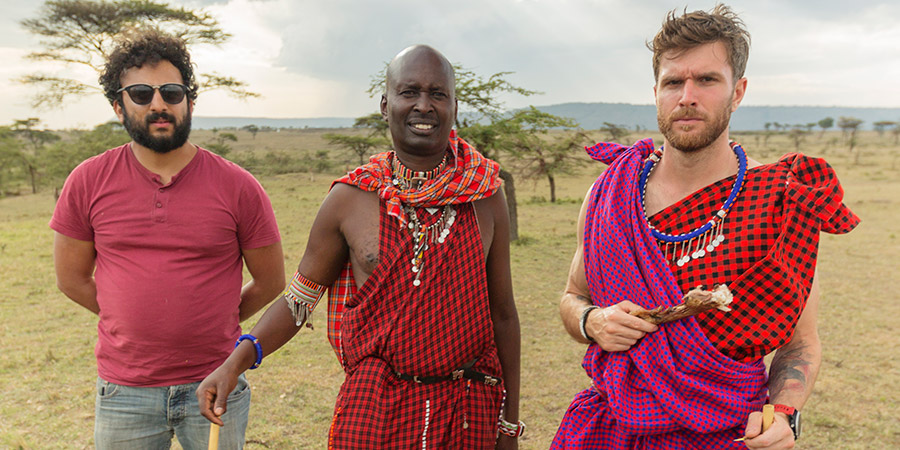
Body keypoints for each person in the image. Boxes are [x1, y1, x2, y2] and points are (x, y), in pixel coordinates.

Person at [553, 4, 859, 449]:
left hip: (724, 434)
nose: (687, 96)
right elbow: (572, 296)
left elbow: (799, 344)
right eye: (673, 81)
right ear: (655, 91)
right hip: (610, 430)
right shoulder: (609, 193)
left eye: (708, 80)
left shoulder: (777, 202)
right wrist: (591, 320)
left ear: (738, 92)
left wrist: (784, 415)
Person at [196, 44, 522, 449]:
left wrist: (509, 425)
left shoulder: (485, 196)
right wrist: (237, 360)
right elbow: (299, 299)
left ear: (455, 106)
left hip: (467, 405)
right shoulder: (350, 198)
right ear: (386, 106)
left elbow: (503, 316)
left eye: (438, 94)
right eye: (409, 92)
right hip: (375, 406)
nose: (424, 105)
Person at [50, 30, 285, 449]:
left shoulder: (239, 186)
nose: (158, 104)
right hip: (125, 391)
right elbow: (71, 280)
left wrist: (215, 322)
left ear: (189, 103)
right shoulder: (87, 181)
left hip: (217, 380)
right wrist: (129, 322)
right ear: (119, 107)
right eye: (140, 93)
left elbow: (270, 281)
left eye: (171, 92)